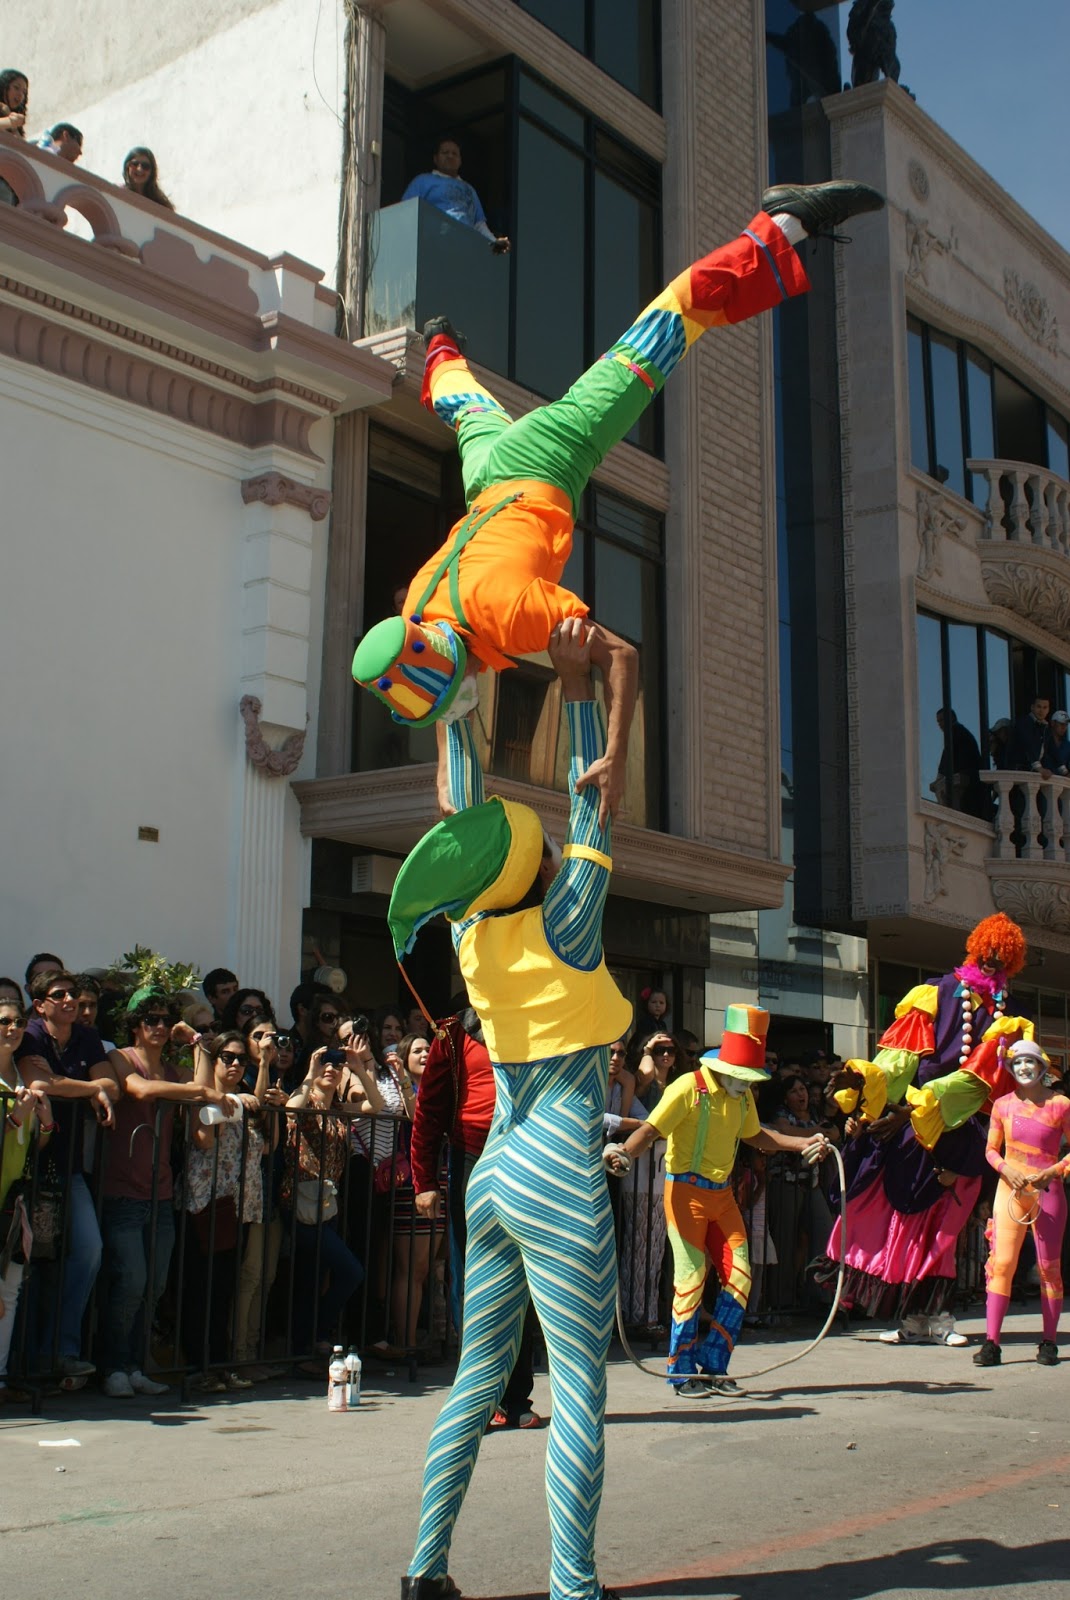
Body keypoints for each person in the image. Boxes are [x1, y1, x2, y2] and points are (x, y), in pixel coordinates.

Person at [354, 178, 885, 827]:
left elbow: (623, 656)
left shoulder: (512, 614)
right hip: (487, 477)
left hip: (547, 458)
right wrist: (444, 763)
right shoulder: (416, 608)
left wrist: (613, 756)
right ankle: (439, 349)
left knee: (664, 331)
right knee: (468, 414)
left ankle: (779, 226)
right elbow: (449, 682)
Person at [390, 617, 640, 1600]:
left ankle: (424, 1571)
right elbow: (594, 810)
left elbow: (460, 816)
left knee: (471, 1378)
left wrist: (449, 694)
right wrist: (575, 685)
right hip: (558, 1177)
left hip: (490, 1173)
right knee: (579, 1383)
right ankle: (571, 1585)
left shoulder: (469, 934)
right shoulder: (570, 924)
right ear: (536, 868)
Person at [820, 913, 1029, 1347]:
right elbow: (899, 1060)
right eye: (988, 952)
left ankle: (941, 1316)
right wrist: (866, 1085)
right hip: (916, 1125)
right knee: (903, 1220)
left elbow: (978, 1080)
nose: (992, 961)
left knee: (946, 1227)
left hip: (962, 1129)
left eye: (1002, 957)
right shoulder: (934, 993)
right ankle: (912, 1318)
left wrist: (919, 1109)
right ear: (975, 948)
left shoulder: (1008, 1018)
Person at [605, 1005, 829, 1398]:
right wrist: (623, 1152)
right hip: (685, 1195)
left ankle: (713, 1365)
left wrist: (802, 1142)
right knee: (690, 1281)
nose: (747, 1086)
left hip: (722, 1197)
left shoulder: (740, 1098)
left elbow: (758, 1136)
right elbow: (652, 1129)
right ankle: (680, 1371)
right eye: (742, 1077)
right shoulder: (686, 1088)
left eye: (751, 1079)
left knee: (741, 1277)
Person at [409, 1001, 542, 1429]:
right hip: (471, 1158)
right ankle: (481, 1399)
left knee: (522, 1281)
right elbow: (429, 1111)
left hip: (528, 1157)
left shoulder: (538, 1020)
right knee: (474, 1280)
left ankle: (516, 1396)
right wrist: (424, 1181)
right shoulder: (452, 1034)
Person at [100, 989, 237, 1398]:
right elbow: (139, 1089)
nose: (159, 1027)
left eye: (164, 1020)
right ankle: (113, 1366)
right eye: (151, 1020)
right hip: (123, 1189)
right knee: (130, 1281)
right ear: (134, 1025)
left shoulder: (174, 1068)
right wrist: (204, 1093)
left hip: (159, 1190)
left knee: (155, 1284)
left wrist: (195, 1041)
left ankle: (136, 1365)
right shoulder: (123, 1057)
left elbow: (198, 1083)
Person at [14, 969, 121, 1383]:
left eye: (74, 994)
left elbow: (109, 1083)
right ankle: (21, 1365)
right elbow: (39, 1081)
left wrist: (78, 1086)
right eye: (60, 995)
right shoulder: (31, 1033)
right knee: (26, 1266)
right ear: (39, 1004)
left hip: (68, 1166)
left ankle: (61, 1350)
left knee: (89, 1251)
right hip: (26, 1167)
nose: (70, 1000)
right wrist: (87, 1088)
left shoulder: (86, 1036)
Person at [181, 1031, 271, 1392]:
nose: (235, 1064)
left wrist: (262, 1067)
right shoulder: (206, 1094)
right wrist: (233, 1099)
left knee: (225, 1289)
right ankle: (198, 1367)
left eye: (240, 1059)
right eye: (227, 1057)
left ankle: (219, 1365)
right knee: (203, 1288)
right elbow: (203, 1135)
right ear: (213, 1059)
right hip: (207, 1201)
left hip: (240, 1202)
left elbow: (264, 1130)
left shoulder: (244, 1096)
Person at [973, 1040, 1070, 1369]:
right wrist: (1007, 1170)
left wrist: (1054, 1171)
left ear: (1041, 1066)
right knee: (1001, 1265)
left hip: (1048, 1191)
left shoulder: (1061, 1105)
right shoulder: (1001, 1105)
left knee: (1048, 1269)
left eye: (1030, 1062)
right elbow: (990, 1150)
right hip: (1009, 1191)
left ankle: (1049, 1342)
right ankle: (991, 1343)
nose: (1024, 1068)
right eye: (1018, 1063)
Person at [283, 1042, 381, 1364]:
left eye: (335, 1065)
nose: (331, 1068)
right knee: (349, 1271)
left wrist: (357, 1068)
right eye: (325, 1062)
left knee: (315, 1277)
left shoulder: (338, 1109)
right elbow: (292, 1110)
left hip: (327, 1205)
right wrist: (310, 1074)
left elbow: (375, 1106)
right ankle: (315, 1336)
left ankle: (306, 1345)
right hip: (300, 1201)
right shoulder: (306, 1099)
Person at [0, 997, 52, 1402]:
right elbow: (12, 1127)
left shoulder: (23, 1076)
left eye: (18, 1022)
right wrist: (16, 1117)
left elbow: (37, 1139)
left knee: (9, 1293)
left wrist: (45, 1120)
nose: (12, 1028)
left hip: (12, 1201)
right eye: (4, 1021)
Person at [402, 137, 509, 253]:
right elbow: (407, 211)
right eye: (445, 152)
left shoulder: (469, 189)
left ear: (460, 161)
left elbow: (479, 224)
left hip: (463, 249)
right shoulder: (422, 181)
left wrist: (493, 241)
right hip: (433, 246)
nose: (450, 156)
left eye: (454, 153)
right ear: (435, 158)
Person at [931, 708, 983, 816]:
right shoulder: (960, 731)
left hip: (967, 780)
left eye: (942, 720)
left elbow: (947, 756)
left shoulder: (955, 732)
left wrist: (938, 778)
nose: (939, 724)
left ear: (951, 718)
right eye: (938, 721)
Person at [1043, 710, 1070, 777]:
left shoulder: (1067, 745)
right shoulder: (1043, 740)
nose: (1064, 727)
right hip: (1042, 780)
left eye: (1066, 725)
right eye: (1061, 724)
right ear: (1052, 723)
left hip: (1060, 784)